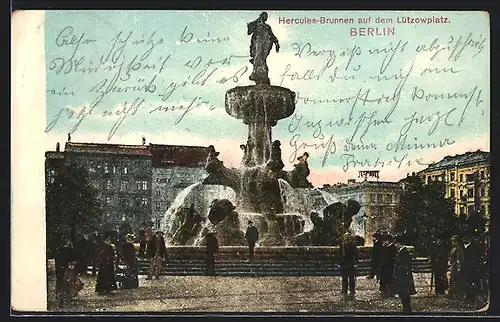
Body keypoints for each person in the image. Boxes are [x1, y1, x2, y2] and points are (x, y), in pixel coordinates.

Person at [247, 11, 280, 85]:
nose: (265, 18)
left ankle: (262, 70)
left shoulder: (267, 27)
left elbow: (272, 35)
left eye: (266, 17)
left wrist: (276, 43)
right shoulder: (256, 24)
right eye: (264, 16)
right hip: (258, 41)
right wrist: (256, 21)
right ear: (261, 16)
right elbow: (249, 31)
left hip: (266, 42)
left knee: (263, 57)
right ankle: (256, 71)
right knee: (258, 55)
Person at [392, 235, 417, 314]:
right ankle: (406, 310)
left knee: (404, 295)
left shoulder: (403, 252)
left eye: (396, 244)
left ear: (399, 244)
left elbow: (405, 265)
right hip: (402, 277)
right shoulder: (402, 251)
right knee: (403, 295)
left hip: (403, 277)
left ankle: (407, 311)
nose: (396, 245)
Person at [55, 237, 83, 305]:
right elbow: (74, 259)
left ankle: (61, 295)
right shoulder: (69, 250)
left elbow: (57, 259)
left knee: (61, 281)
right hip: (67, 269)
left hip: (60, 268)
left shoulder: (59, 250)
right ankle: (67, 295)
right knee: (68, 282)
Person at [339, 232, 358, 299]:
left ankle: (352, 290)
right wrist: (340, 262)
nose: (346, 238)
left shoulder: (353, 245)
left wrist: (355, 263)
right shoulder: (342, 245)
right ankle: (344, 289)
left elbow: (355, 254)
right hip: (344, 264)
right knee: (344, 278)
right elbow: (340, 255)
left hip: (351, 263)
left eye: (348, 237)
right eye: (345, 237)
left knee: (351, 278)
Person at [379, 233, 397, 298]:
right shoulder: (384, 247)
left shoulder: (393, 247)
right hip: (384, 266)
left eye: (386, 240)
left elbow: (394, 257)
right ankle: (384, 291)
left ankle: (391, 292)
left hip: (390, 266)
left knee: (390, 279)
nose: (385, 242)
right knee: (384, 279)